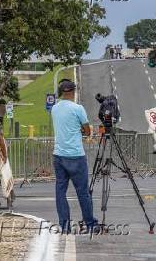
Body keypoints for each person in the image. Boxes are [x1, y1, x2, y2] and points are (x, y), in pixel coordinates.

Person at [51, 80, 97, 232]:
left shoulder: (54, 108)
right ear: (74, 91)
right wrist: (82, 130)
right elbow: (87, 131)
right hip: (76, 155)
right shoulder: (78, 108)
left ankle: (64, 225)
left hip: (59, 155)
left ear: (61, 91)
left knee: (60, 191)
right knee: (82, 192)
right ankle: (90, 224)